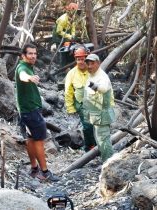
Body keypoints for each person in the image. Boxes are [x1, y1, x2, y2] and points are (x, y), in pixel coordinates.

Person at [15, 43, 59, 182]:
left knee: (31, 139)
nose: (33, 56)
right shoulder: (23, 67)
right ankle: (44, 173)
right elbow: (22, 75)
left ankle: (34, 169)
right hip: (30, 111)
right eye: (30, 53)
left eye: (35, 53)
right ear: (23, 55)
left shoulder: (28, 66)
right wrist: (29, 78)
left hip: (26, 110)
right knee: (39, 140)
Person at [83, 54, 115, 162]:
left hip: (102, 115)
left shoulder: (102, 76)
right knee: (99, 139)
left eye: (92, 63)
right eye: (88, 63)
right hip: (95, 115)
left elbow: (103, 88)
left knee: (104, 140)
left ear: (98, 63)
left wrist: (94, 86)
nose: (90, 66)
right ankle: (105, 160)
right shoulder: (91, 75)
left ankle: (109, 163)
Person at [64, 47, 97, 152]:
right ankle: (90, 146)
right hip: (81, 103)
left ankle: (93, 144)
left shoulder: (93, 71)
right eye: (78, 59)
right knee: (87, 125)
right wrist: (70, 108)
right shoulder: (72, 74)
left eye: (82, 59)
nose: (80, 62)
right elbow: (68, 92)